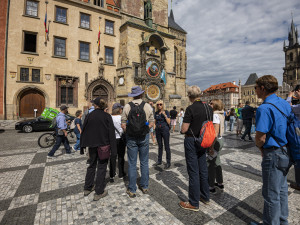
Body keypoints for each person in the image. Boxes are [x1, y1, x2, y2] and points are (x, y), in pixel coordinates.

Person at [252, 75, 291, 225]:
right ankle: (282, 221)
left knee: (270, 194)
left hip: (273, 153)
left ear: (262, 88)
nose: (255, 91)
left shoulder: (264, 108)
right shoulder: (284, 103)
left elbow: (260, 137)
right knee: (281, 189)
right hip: (285, 150)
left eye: (256, 88)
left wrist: (260, 147)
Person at [179, 85, 211, 211]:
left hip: (191, 141)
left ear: (190, 96)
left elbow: (184, 129)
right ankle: (205, 196)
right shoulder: (208, 108)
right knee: (203, 169)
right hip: (204, 140)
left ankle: (193, 202)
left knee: (193, 171)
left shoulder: (190, 109)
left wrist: (182, 131)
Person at [80, 97, 117, 201]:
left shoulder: (89, 115)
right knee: (101, 167)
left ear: (95, 105)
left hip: (92, 146)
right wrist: (114, 150)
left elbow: (84, 130)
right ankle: (99, 191)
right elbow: (111, 134)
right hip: (103, 146)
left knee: (91, 165)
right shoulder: (107, 116)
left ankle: (88, 187)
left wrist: (82, 146)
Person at [121, 86, 154, 198]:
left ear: (133, 95)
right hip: (144, 137)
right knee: (144, 162)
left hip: (131, 138)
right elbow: (152, 121)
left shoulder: (127, 106)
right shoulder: (148, 106)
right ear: (141, 94)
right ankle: (144, 186)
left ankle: (132, 189)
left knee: (132, 163)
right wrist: (146, 129)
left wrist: (128, 131)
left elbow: (123, 123)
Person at [207, 99, 225, 194]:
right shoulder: (221, 114)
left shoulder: (214, 115)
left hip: (216, 141)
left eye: (211, 103)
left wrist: (211, 146)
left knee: (211, 164)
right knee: (217, 161)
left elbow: (215, 132)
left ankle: (211, 186)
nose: (209, 104)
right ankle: (220, 182)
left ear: (215, 105)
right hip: (221, 139)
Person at [286, 85, 300, 191]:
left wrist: (289, 96)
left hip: (297, 137)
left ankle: (299, 183)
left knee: (297, 159)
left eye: (297, 92)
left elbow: (287, 108)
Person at [109, 103, 126, 183]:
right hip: (121, 139)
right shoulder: (121, 117)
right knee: (121, 156)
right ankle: (121, 173)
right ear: (119, 109)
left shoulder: (109, 118)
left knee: (112, 156)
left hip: (112, 139)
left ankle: (112, 174)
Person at [153, 100, 171, 169]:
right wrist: (154, 131)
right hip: (158, 130)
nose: (159, 105)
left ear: (163, 105)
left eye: (160, 104)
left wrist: (165, 115)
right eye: (158, 104)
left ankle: (168, 162)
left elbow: (169, 122)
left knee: (167, 146)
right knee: (160, 146)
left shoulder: (166, 112)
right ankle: (159, 160)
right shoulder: (156, 113)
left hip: (165, 130)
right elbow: (154, 122)